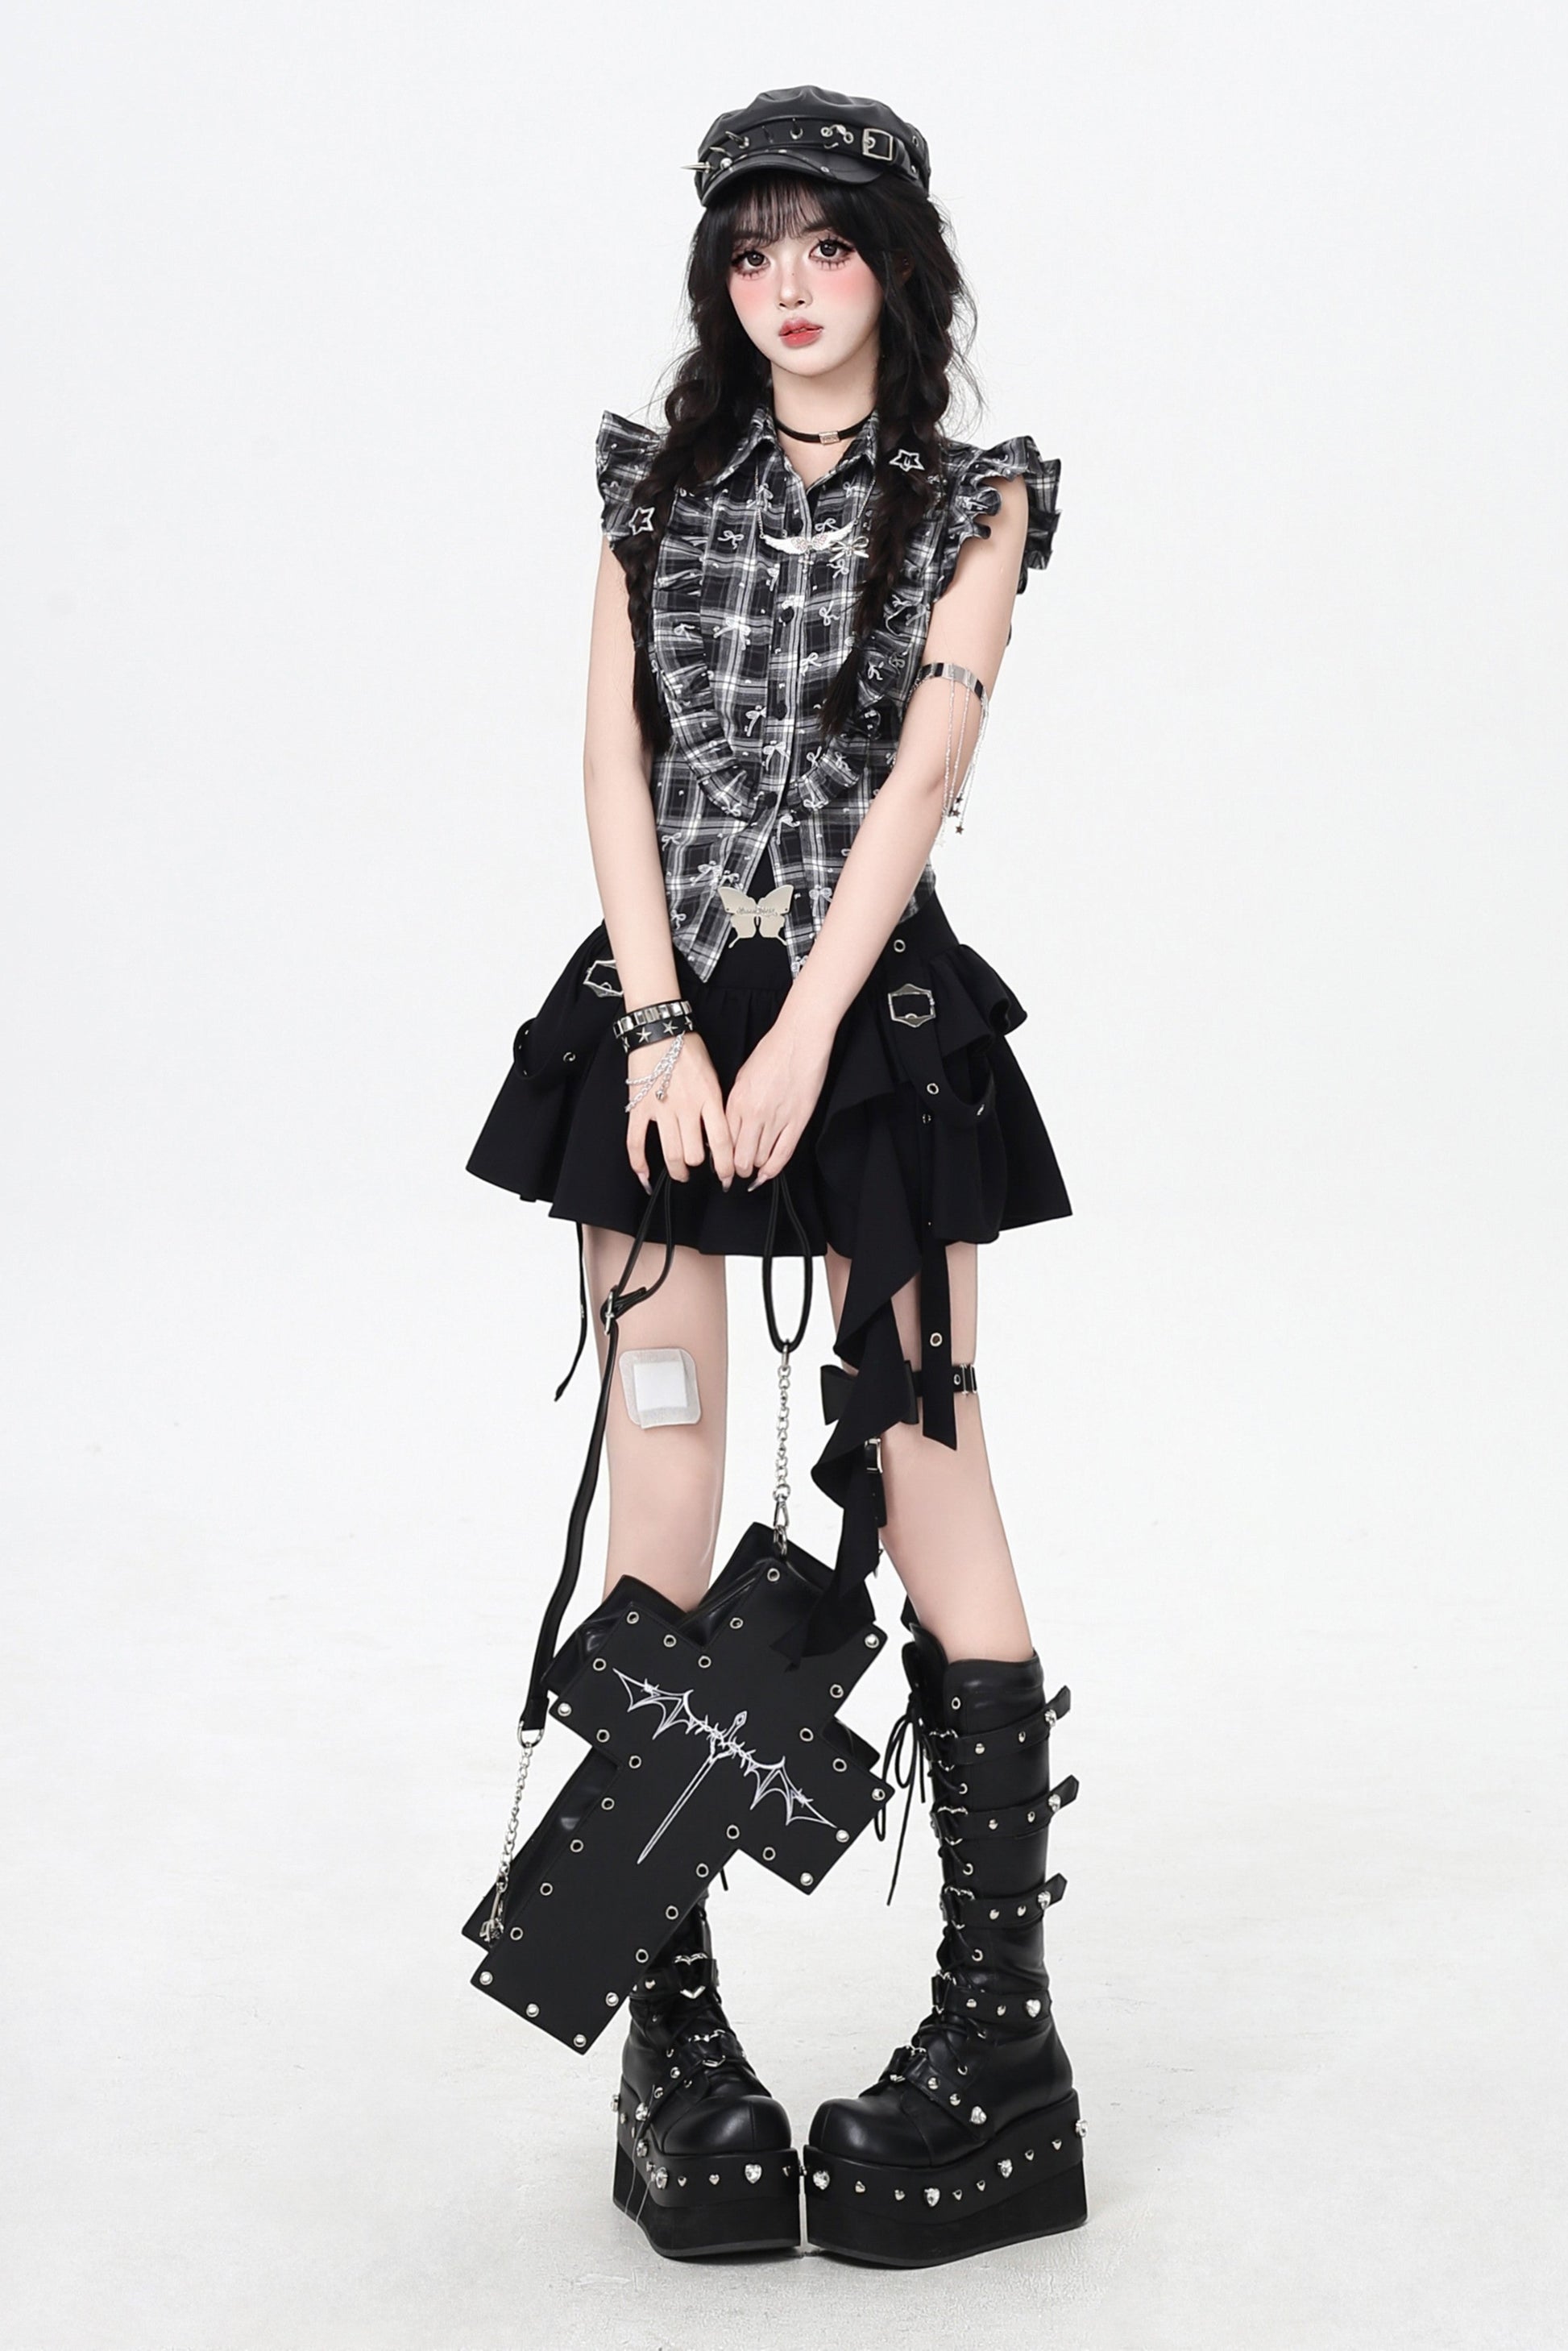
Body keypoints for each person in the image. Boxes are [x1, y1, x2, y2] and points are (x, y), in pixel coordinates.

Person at [467, 86, 1086, 2268]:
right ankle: (675, 2036)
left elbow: (924, 772)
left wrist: (801, 1032)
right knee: (663, 1476)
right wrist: (657, 1022)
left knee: (930, 1479)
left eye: (827, 246)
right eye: (753, 252)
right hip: (661, 1026)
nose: (789, 287)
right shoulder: (653, 488)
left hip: (872, 1029)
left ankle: (1001, 2037)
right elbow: (610, 752)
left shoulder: (975, 499)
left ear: (895, 268)